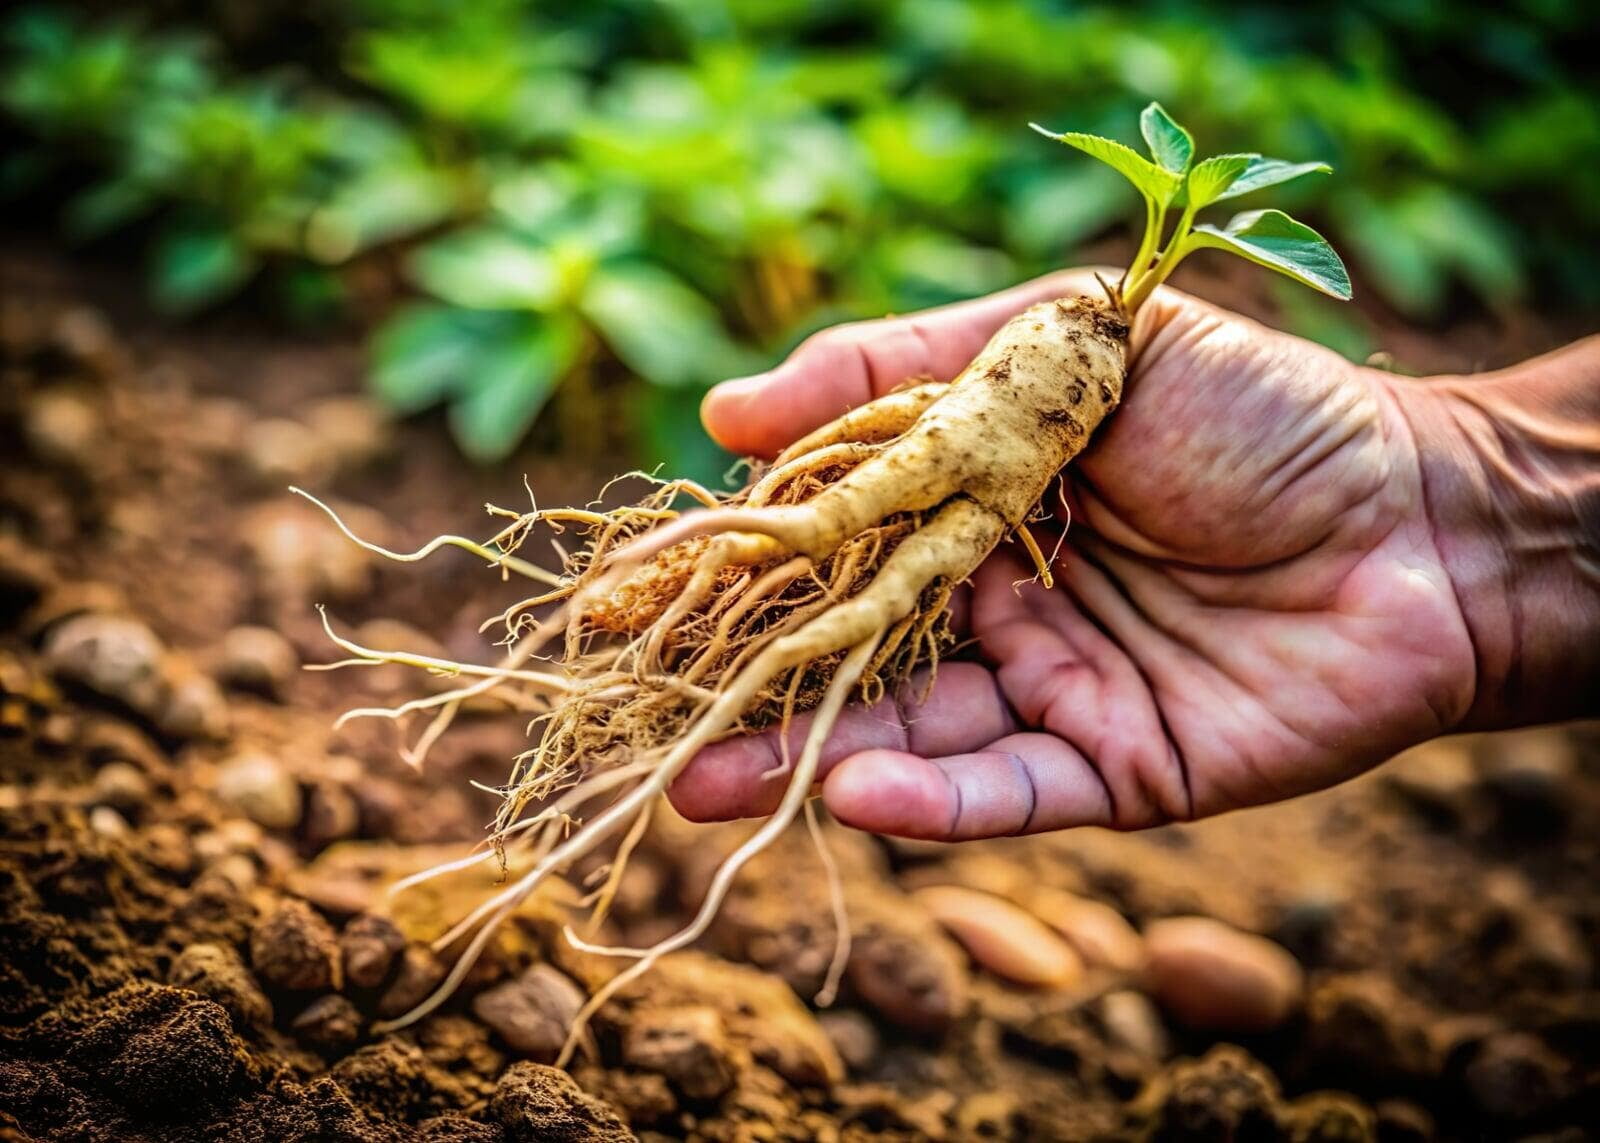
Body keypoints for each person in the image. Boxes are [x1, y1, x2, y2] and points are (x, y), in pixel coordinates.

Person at [667, 269, 1600, 840]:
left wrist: (1446, 493)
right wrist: (1453, 493)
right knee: (825, 530)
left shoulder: (1101, 345)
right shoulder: (1073, 332)